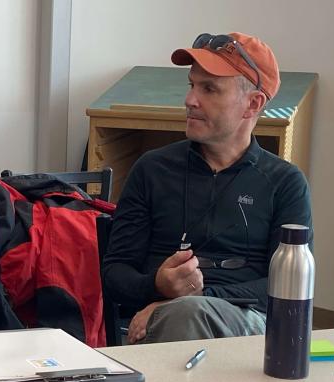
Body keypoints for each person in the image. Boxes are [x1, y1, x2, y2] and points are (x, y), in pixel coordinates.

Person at [103, 32, 312, 344]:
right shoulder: (151, 169)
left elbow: (291, 283)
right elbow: (114, 274)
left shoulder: (285, 183)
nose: (190, 100)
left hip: (246, 326)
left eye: (209, 89)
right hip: (154, 321)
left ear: (252, 104)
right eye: (191, 85)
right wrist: (157, 286)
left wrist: (193, 297)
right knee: (183, 314)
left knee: (187, 313)